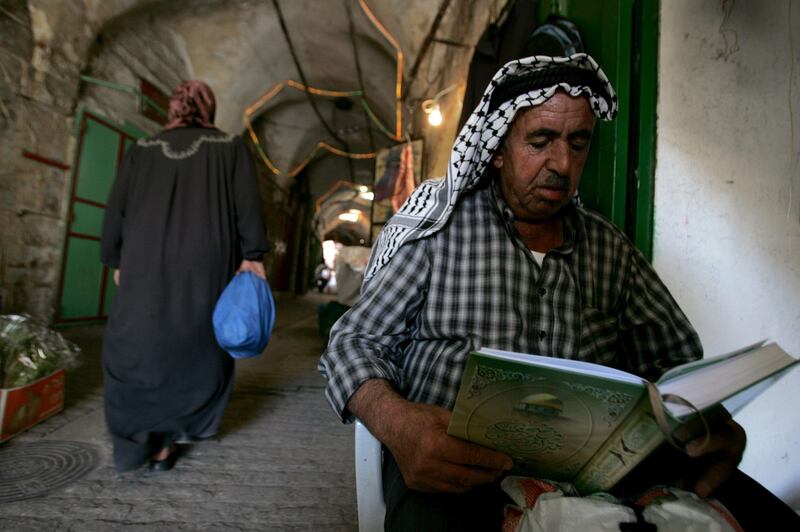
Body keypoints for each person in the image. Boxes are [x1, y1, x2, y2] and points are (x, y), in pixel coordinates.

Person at [319, 55, 799, 530]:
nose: (563, 164)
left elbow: (672, 366)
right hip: (458, 469)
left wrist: (706, 420)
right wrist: (398, 423)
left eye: (578, 142)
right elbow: (351, 345)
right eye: (541, 141)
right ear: (498, 147)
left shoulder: (610, 251)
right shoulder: (438, 234)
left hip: (599, 472)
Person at [100, 80, 268, 472]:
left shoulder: (142, 149)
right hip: (205, 264)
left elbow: (116, 209)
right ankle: (171, 438)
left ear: (172, 109)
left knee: (137, 341)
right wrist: (253, 255)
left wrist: (114, 258)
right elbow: (248, 207)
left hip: (143, 261)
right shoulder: (229, 147)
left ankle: (141, 438)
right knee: (191, 344)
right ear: (208, 108)